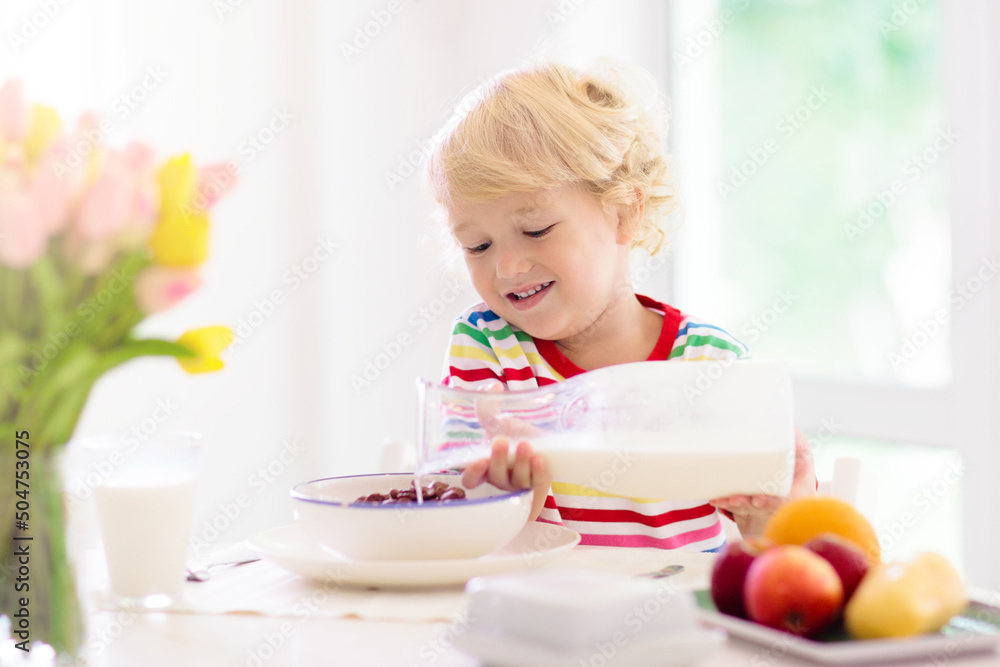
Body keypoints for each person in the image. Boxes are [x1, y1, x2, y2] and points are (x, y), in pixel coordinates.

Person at [425, 59, 814, 551]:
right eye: (478, 246)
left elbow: (769, 557)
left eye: (536, 230)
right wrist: (510, 500)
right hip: (536, 620)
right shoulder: (488, 346)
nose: (506, 268)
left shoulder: (710, 365)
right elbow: (456, 532)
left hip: (677, 623)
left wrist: (772, 514)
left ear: (624, 213)